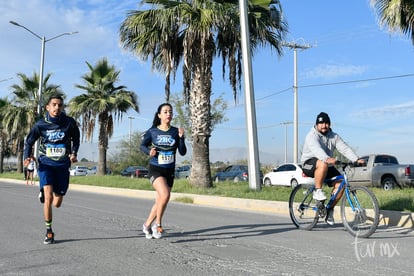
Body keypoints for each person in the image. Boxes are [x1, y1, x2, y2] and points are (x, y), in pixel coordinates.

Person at [23, 95, 80, 244]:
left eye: (60, 105)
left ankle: (47, 192)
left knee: (57, 203)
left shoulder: (69, 123)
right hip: (45, 163)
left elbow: (76, 138)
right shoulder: (40, 125)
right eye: (54, 105)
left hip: (62, 165)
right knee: (48, 198)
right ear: (48, 107)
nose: (57, 108)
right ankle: (49, 231)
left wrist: (74, 153)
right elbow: (29, 142)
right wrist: (26, 157)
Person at [300, 112, 365, 225]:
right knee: (323, 163)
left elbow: (344, 148)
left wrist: (356, 159)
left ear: (330, 124)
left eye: (326, 123)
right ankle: (318, 191)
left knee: (341, 183)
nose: (324, 125)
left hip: (326, 164)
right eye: (321, 123)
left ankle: (329, 209)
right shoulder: (311, 136)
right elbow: (317, 151)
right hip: (309, 164)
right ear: (316, 124)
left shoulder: (334, 136)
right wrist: (327, 158)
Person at [140, 103, 187, 239]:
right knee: (165, 194)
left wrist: (181, 138)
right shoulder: (153, 131)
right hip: (156, 169)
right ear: (159, 115)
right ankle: (157, 225)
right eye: (165, 112)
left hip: (169, 171)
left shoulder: (175, 131)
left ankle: (147, 225)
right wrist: (149, 151)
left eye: (170, 112)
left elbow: (183, 152)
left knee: (161, 200)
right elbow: (142, 145)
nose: (168, 114)